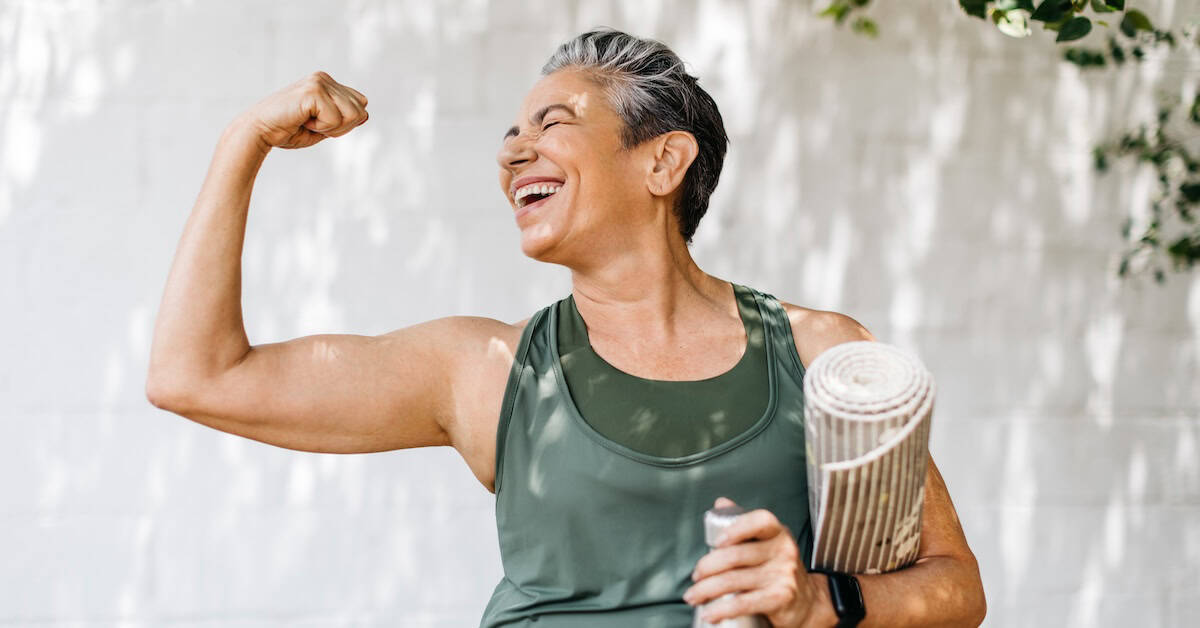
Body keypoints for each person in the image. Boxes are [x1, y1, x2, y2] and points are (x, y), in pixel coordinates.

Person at [146, 27, 986, 628]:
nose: (514, 151)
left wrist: (819, 602)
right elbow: (194, 376)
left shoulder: (821, 352)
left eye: (553, 123)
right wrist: (241, 142)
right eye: (511, 133)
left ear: (663, 161)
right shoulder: (486, 368)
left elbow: (955, 587)